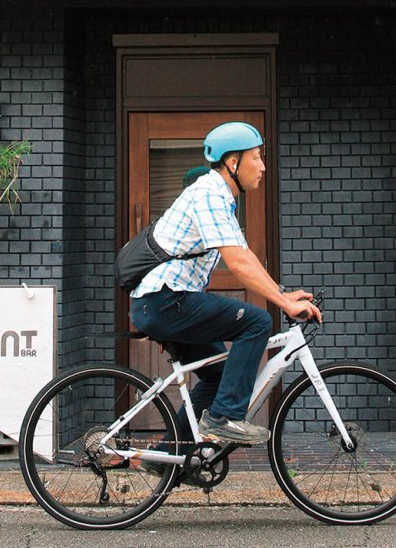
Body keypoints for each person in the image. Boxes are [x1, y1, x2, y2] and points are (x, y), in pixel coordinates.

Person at [129, 121, 321, 445]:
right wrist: (284, 303)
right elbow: (238, 263)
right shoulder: (209, 193)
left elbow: (244, 256)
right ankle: (225, 418)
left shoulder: (221, 198)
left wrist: (281, 293)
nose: (262, 167)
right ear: (234, 163)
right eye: (257, 158)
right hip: (166, 300)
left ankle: (167, 456)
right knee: (258, 322)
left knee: (218, 374)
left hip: (167, 301)